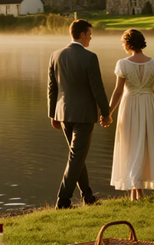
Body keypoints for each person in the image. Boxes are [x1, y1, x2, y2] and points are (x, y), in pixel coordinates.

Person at [47, 19, 112, 209]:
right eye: (90, 34)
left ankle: (88, 196)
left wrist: (52, 114)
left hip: (63, 113)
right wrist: (106, 113)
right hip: (84, 114)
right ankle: (63, 201)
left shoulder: (55, 55)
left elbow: (52, 88)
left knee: (77, 156)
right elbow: (97, 89)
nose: (91, 38)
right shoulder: (90, 57)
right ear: (82, 34)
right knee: (77, 156)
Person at [108, 29, 154, 201]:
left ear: (128, 44)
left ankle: (136, 190)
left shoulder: (123, 64)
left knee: (130, 145)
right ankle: (137, 189)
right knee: (144, 144)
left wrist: (108, 113)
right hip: (149, 105)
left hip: (129, 105)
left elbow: (118, 91)